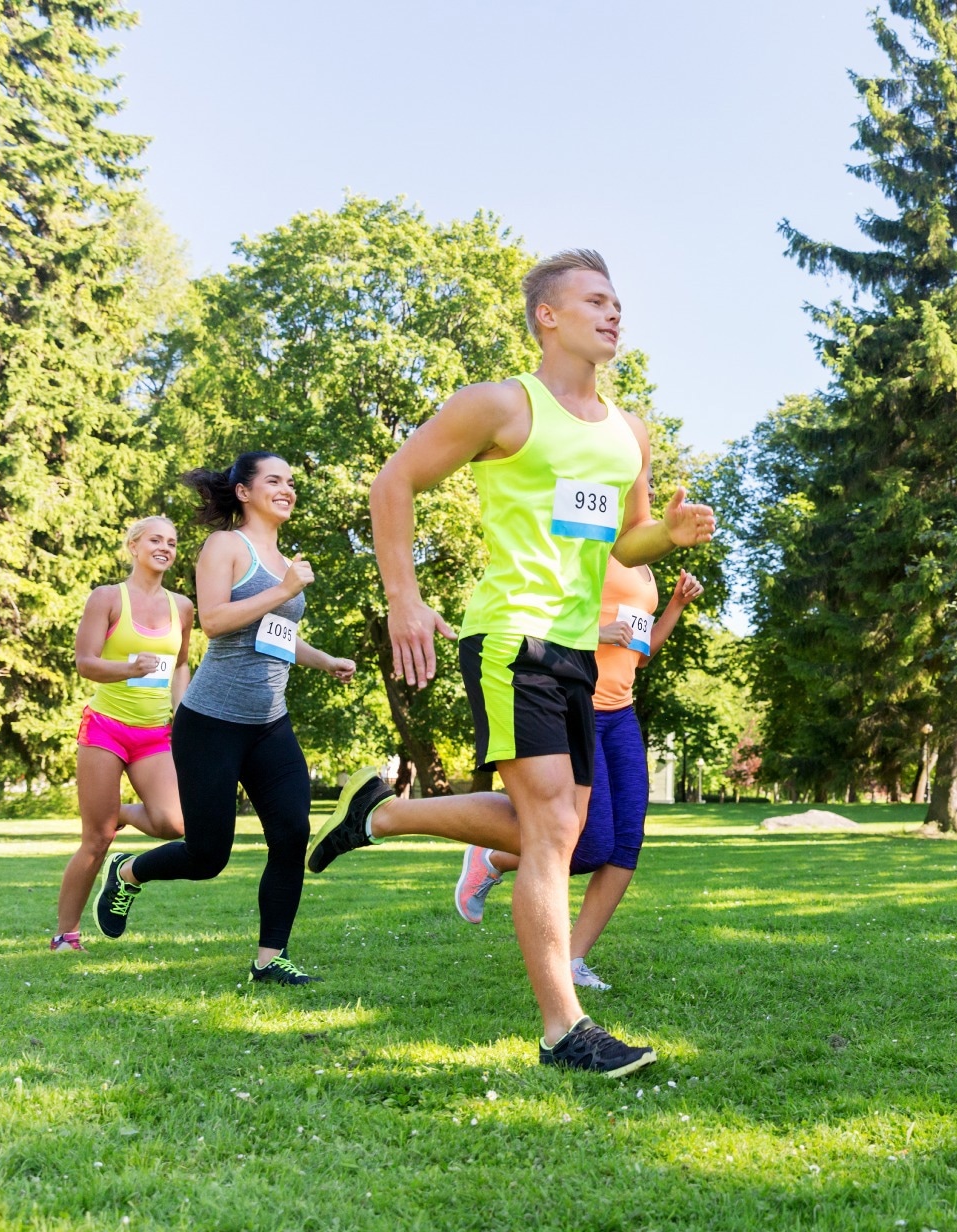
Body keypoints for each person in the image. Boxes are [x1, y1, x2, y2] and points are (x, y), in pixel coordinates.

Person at [305, 249, 715, 1076]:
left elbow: (622, 540)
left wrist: (663, 538)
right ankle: (565, 1029)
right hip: (508, 637)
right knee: (557, 829)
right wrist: (403, 598)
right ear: (548, 316)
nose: (613, 313)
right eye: (595, 300)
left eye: (618, 303)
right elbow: (395, 483)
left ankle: (381, 816)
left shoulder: (629, 432)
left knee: (554, 834)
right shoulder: (503, 406)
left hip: (576, 651)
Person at [92, 452, 356, 984]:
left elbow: (275, 635)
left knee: (291, 832)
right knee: (208, 854)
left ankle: (269, 959)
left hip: (269, 722)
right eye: (274, 481)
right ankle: (127, 871)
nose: (287, 489)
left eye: (291, 483)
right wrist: (284, 591)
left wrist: (324, 660)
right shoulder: (225, 547)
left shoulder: (283, 559)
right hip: (211, 720)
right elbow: (213, 620)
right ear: (243, 492)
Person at [455, 566, 704, 993]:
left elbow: (639, 654)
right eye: (639, 492)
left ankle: (572, 959)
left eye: (646, 493)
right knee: (589, 844)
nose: (643, 497)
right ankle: (493, 857)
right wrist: (598, 633)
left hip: (621, 713)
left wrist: (676, 606)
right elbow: (538, 618)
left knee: (626, 845)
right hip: (574, 704)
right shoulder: (588, 548)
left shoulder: (646, 575)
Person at [51, 517, 193, 951]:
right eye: (155, 539)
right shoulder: (108, 598)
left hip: (155, 733)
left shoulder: (182, 607)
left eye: (171, 542)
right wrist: (128, 669)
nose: (165, 547)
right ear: (133, 546)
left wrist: (183, 713)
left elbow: (181, 664)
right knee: (96, 839)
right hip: (106, 728)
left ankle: (116, 815)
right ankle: (65, 935)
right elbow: (85, 662)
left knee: (175, 823)